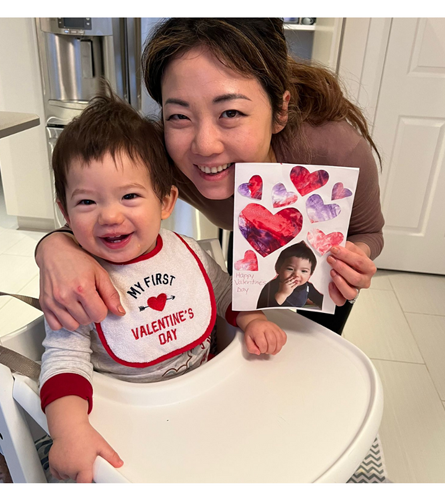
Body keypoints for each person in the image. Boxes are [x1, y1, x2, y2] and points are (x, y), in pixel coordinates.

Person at [35, 18, 384, 336]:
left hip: (320, 270)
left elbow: (368, 231)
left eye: (230, 112)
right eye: (179, 116)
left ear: (280, 110)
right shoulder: (162, 156)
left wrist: (355, 257)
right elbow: (99, 201)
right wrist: (53, 248)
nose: (204, 146)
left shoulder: (337, 151)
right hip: (255, 249)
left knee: (313, 359)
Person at [39, 84, 287, 483]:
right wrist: (69, 432)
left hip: (204, 403)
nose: (110, 216)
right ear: (64, 211)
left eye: (130, 196)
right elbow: (63, 363)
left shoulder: (185, 251)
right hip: (132, 425)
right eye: (87, 202)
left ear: (167, 201)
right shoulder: (78, 283)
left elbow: (223, 292)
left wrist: (252, 320)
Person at [257, 242, 323, 310]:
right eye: (290, 269)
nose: (296, 275)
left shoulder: (308, 287)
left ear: (310, 274)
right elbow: (264, 308)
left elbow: (321, 301)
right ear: (278, 268)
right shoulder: (270, 286)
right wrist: (282, 294)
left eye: (304, 271)